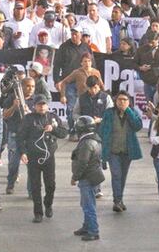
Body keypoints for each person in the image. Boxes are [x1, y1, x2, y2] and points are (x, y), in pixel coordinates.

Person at [17, 93, 67, 223]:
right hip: (33, 157)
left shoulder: (53, 117)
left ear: (47, 105)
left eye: (43, 104)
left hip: (49, 157)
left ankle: (48, 204)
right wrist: (22, 153)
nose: (41, 107)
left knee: (51, 184)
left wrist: (53, 129)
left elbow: (64, 133)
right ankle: (37, 212)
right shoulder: (28, 119)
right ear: (34, 106)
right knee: (35, 186)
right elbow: (20, 137)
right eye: (39, 105)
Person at [100, 91, 142, 213]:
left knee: (122, 176)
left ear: (129, 102)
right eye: (120, 99)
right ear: (115, 101)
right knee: (116, 175)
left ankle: (120, 199)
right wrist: (103, 154)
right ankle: (117, 201)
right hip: (113, 151)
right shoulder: (109, 113)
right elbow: (103, 132)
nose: (122, 102)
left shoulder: (132, 112)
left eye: (125, 100)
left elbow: (137, 126)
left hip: (127, 151)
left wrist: (128, 111)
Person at [70, 115, 103, 241]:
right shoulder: (94, 139)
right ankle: (87, 226)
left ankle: (93, 230)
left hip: (87, 177)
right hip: (92, 176)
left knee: (88, 205)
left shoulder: (86, 142)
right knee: (86, 204)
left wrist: (75, 177)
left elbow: (82, 162)